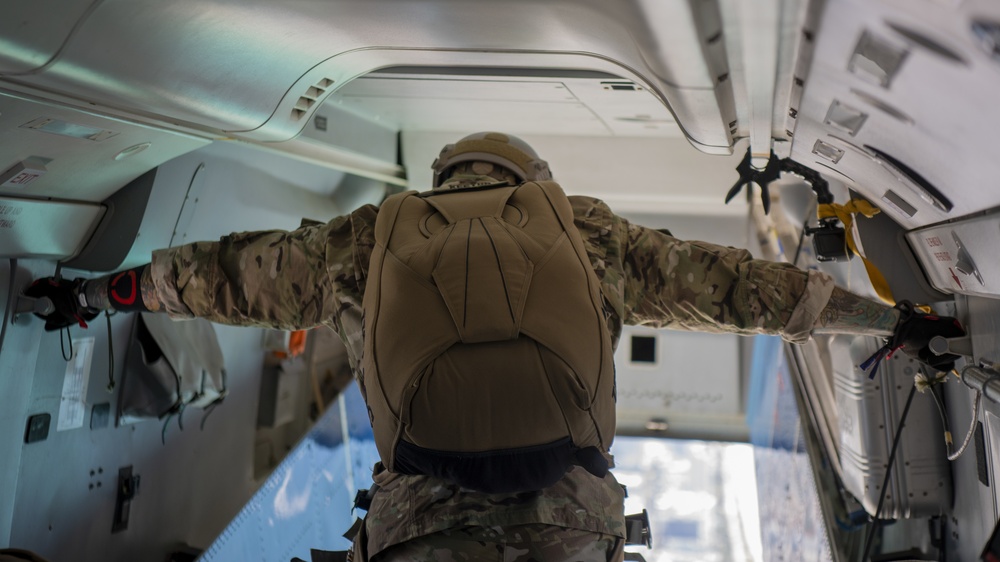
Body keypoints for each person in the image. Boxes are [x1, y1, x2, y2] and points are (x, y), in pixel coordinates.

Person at [28, 132, 964, 561]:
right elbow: (745, 292)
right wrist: (895, 325)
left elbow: (231, 276)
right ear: (535, 179)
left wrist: (107, 291)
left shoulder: (374, 235)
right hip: (569, 521)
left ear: (445, 177)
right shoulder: (586, 231)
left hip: (418, 524)